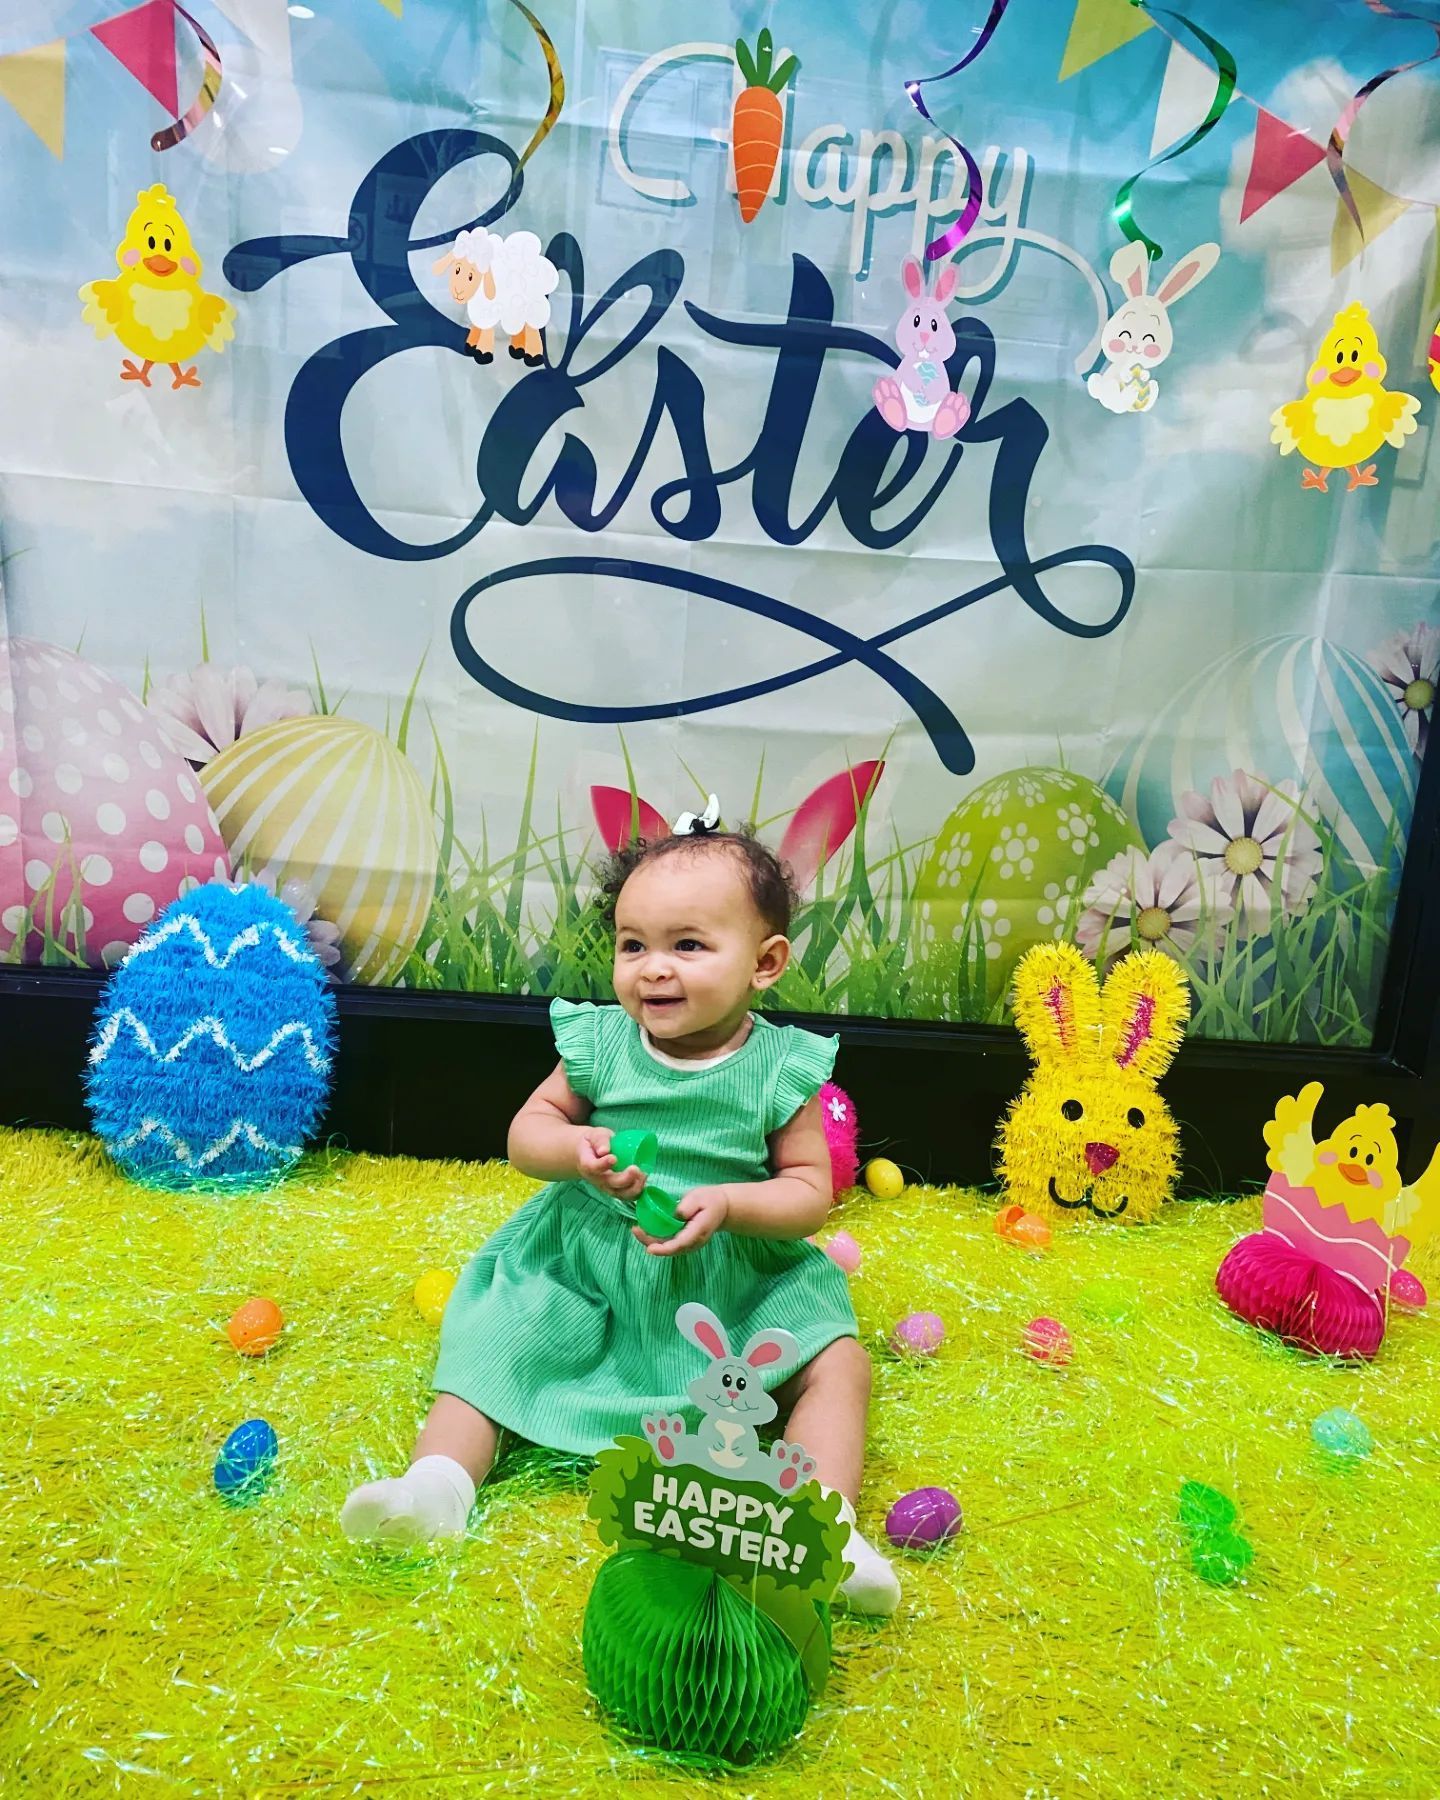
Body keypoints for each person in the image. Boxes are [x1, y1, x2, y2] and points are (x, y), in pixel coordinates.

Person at [341, 798, 899, 1614]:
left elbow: (810, 1193)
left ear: (766, 962)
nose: (653, 968)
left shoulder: (782, 1067)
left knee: (838, 1360)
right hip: (593, 1267)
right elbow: (526, 1132)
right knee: (494, 1341)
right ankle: (437, 1488)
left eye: (688, 946)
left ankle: (823, 1527)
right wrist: (574, 1151)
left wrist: (735, 1204)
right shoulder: (601, 1044)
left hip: (732, 1276)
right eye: (633, 945)